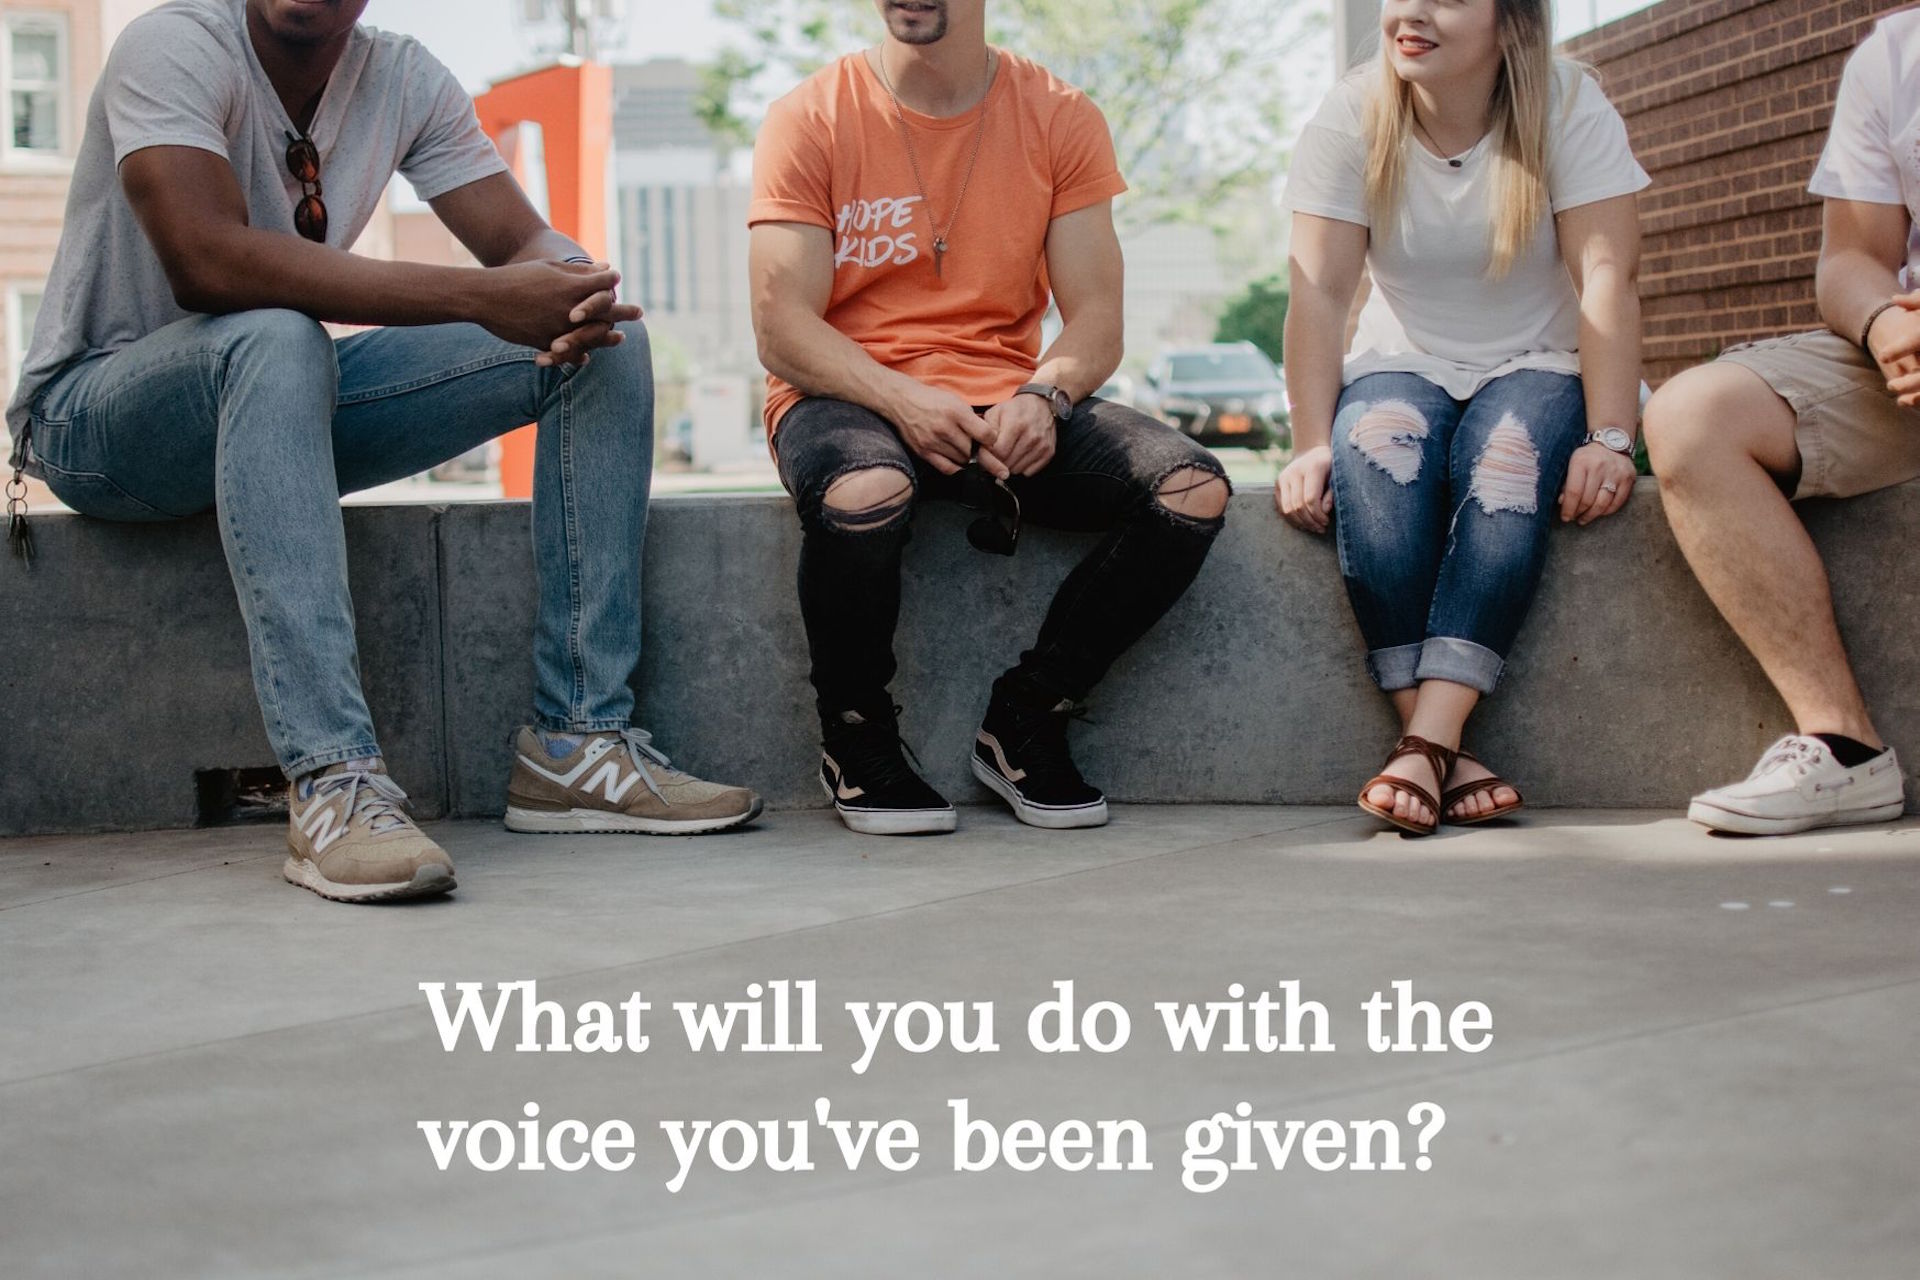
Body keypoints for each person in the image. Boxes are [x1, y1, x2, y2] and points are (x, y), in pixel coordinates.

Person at [4, 0, 761, 904]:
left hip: (278, 400)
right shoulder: (174, 44)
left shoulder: (399, 76)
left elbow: (520, 242)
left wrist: (572, 289)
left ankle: (579, 744)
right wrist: (479, 299)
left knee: (604, 350)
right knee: (278, 336)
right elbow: (206, 262)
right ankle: (332, 780)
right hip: (97, 423)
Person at [748, 0, 1230, 836]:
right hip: (849, 395)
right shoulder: (810, 116)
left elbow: (1097, 321)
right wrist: (900, 396)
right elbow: (783, 326)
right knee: (864, 489)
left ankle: (1028, 715)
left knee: (1190, 489)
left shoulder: (1060, 115)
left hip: (1005, 397)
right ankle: (855, 735)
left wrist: (1047, 395)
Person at [1274, 0, 1647, 835]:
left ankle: (1422, 744)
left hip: (1544, 363)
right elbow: (1320, 292)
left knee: (1504, 464)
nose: (1409, 12)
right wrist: (1307, 442)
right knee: (1372, 456)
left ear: (1510, 19)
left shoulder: (1569, 103)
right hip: (1402, 361)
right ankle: (1440, 747)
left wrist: (1611, 434)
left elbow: (1606, 280)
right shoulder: (1352, 111)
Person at [1642, 11, 1920, 835]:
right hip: (1908, 367)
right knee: (1694, 414)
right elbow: (1850, 258)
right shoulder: (1897, 55)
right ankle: (1844, 748)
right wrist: (1883, 324)